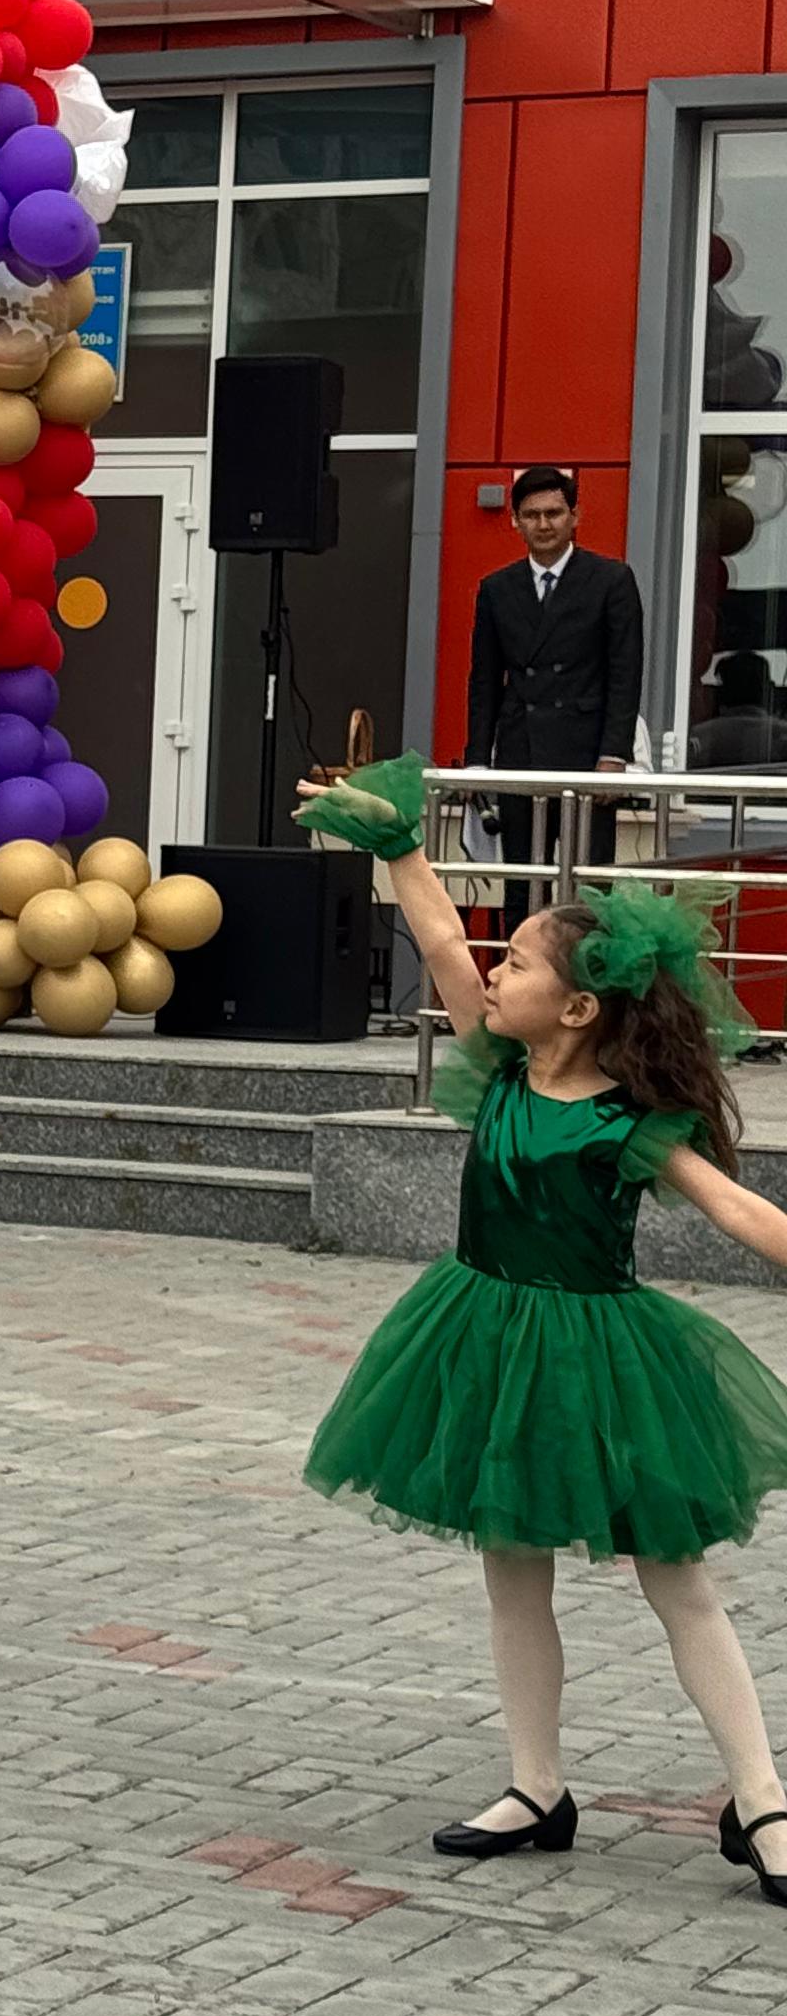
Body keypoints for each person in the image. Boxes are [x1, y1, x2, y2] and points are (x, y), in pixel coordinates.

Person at [294, 753, 787, 1894]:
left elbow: (741, 1210)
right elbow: (437, 939)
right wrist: (400, 844)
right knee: (512, 1568)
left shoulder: (630, 1124)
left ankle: (763, 1799)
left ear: (577, 1008)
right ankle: (536, 1784)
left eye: (516, 961)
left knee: (676, 1575)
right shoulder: (499, 1069)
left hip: (604, 1361)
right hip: (483, 1340)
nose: (494, 969)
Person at [465, 465, 647, 917]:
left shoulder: (611, 580)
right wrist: (477, 762)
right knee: (523, 886)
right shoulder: (497, 588)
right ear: (515, 521)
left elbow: (625, 675)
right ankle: (522, 963)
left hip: (586, 755)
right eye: (531, 515)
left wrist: (614, 756)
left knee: (591, 889)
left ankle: (588, 966)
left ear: (575, 516)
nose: (543, 524)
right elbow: (485, 681)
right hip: (520, 751)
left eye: (554, 513)